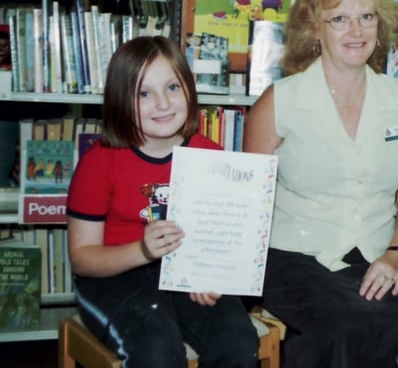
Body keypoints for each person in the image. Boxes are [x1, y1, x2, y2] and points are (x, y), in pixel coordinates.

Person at [243, 0, 398, 367]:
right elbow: (245, 200)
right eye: (339, 18)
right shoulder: (280, 100)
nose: (356, 30)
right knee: (340, 324)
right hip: (294, 254)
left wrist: (397, 254)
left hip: (379, 255)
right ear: (315, 29)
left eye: (366, 17)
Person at [66, 36, 259, 368]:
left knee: (238, 341)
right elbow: (83, 259)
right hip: (114, 275)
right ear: (120, 101)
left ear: (189, 89)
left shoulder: (211, 156)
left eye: (172, 87)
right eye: (144, 93)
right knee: (157, 350)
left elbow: (222, 238)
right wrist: (142, 250)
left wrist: (210, 275)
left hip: (186, 273)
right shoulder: (99, 162)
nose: (163, 103)